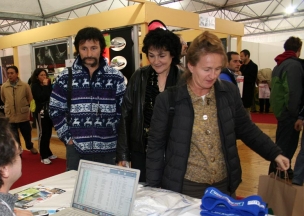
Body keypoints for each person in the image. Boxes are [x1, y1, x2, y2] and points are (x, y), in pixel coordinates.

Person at [146, 31, 289, 199]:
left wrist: (274, 153)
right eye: (207, 69)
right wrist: (154, 191)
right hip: (186, 188)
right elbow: (155, 147)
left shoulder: (228, 92)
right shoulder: (168, 100)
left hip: (224, 186)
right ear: (191, 66)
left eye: (218, 69)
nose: (213, 75)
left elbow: (246, 128)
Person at [49, 27, 126, 171]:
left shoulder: (115, 77)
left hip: (108, 150)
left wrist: (114, 136)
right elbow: (54, 109)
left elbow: (123, 112)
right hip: (76, 150)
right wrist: (68, 138)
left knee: (106, 191)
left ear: (101, 48)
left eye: (93, 48)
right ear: (77, 49)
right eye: (84, 48)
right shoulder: (66, 77)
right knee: (76, 191)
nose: (89, 53)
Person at [116, 28, 182, 182]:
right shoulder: (138, 76)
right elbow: (125, 115)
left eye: (162, 55)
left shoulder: (183, 79)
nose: (156, 61)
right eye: (151, 56)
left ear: (173, 54)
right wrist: (123, 155)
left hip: (174, 153)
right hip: (141, 151)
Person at [269, 36, 304, 177]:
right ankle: (278, 173)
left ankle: (278, 172)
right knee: (286, 147)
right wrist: (297, 114)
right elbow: (293, 92)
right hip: (289, 114)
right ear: (299, 49)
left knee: (281, 144)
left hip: (281, 112)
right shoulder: (294, 66)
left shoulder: (279, 65)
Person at [1, 66, 38, 154]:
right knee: (14, 136)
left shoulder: (25, 85)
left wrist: (29, 108)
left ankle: (29, 146)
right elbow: (3, 99)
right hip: (10, 115)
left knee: (27, 134)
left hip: (23, 115)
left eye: (12, 73)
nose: (10, 75)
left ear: (17, 74)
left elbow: (30, 98)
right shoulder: (4, 87)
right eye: (8, 73)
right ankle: (19, 150)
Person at [30, 68, 57, 164]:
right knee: (43, 133)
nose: (44, 77)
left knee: (48, 133)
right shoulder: (35, 86)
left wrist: (47, 86)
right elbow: (41, 97)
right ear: (37, 77)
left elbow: (51, 96)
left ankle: (48, 152)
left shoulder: (48, 85)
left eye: (45, 75)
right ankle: (43, 155)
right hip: (40, 112)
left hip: (49, 111)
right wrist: (45, 86)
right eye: (41, 75)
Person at [240, 49, 258, 116]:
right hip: (241, 91)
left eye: (242, 56)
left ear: (247, 56)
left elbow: (252, 79)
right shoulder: (241, 66)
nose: (240, 58)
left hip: (248, 91)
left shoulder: (253, 66)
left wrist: (242, 76)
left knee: (246, 110)